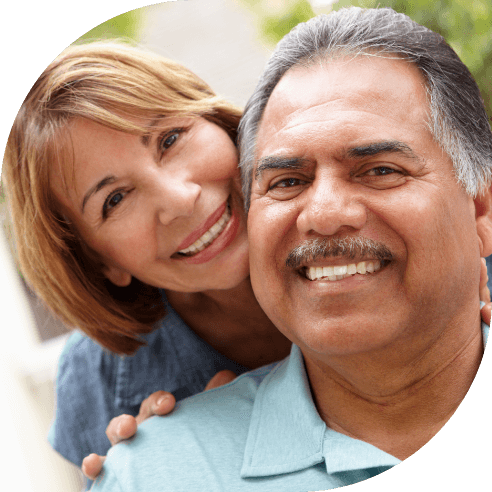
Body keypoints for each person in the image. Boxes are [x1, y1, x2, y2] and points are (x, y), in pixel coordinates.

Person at [89, 8, 490, 491]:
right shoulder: (152, 474)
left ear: (480, 209)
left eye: (380, 170)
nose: (322, 213)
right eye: (287, 181)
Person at [2, 41, 291, 489]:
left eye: (169, 139)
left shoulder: (353, 225)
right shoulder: (95, 386)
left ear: (216, 120)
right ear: (100, 262)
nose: (179, 199)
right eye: (115, 199)